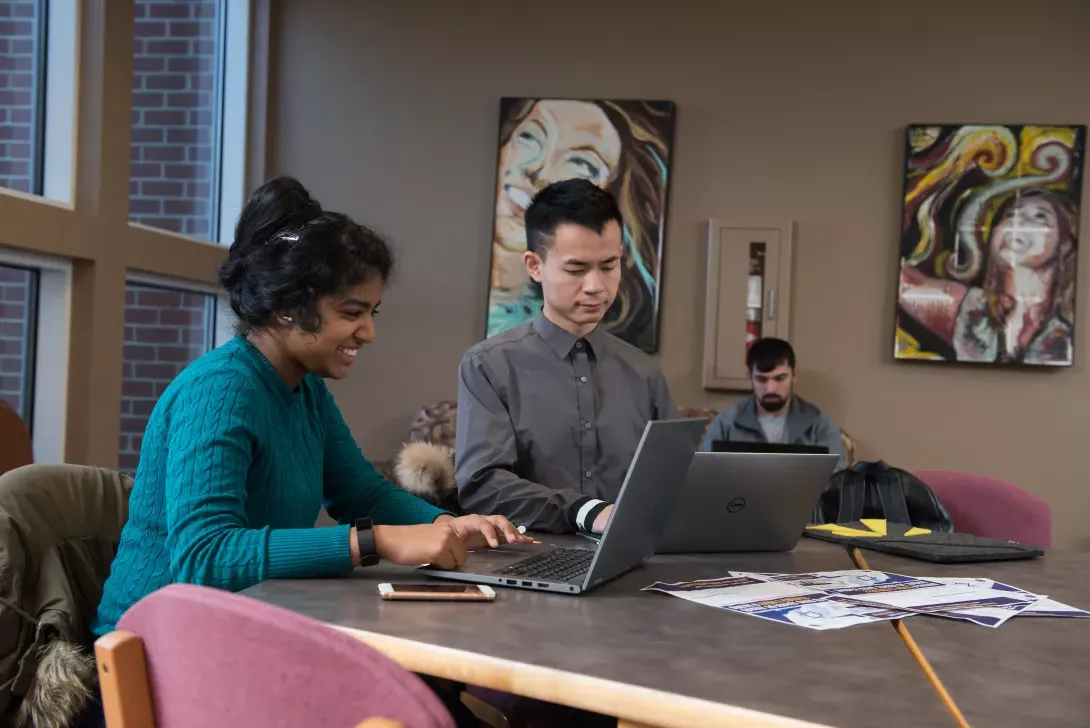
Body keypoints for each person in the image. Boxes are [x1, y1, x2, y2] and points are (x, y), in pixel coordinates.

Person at [87, 177, 527, 725]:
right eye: (351, 312)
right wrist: (378, 542)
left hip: (233, 638)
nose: (367, 332)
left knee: (436, 700)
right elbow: (205, 555)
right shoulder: (221, 389)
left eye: (373, 313)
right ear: (290, 309)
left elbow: (357, 490)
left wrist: (450, 525)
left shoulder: (306, 388)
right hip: (156, 663)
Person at [456, 178, 678, 536]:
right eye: (576, 269)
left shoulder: (644, 372)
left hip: (632, 560)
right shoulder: (488, 366)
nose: (596, 286)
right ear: (534, 265)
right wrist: (587, 512)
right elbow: (482, 484)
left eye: (609, 266)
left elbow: (675, 476)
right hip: (526, 561)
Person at [699, 338, 845, 468]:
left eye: (780, 378)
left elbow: (835, 483)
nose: (770, 389)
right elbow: (705, 479)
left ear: (795, 375)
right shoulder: (725, 424)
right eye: (761, 379)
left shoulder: (818, 424)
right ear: (750, 377)